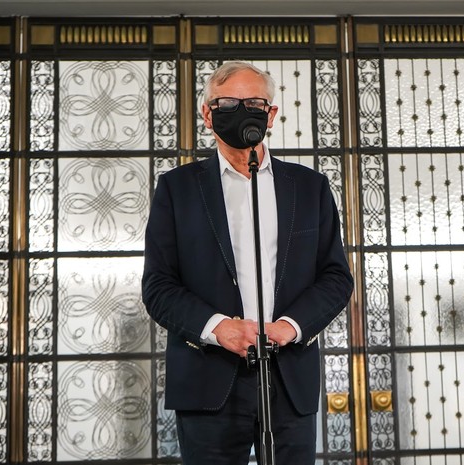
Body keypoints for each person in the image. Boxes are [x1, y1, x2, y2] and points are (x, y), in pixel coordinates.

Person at [141, 61, 354, 465]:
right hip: (207, 377)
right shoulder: (177, 189)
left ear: (270, 114)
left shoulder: (310, 187)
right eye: (227, 104)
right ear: (208, 114)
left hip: (289, 378)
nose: (241, 112)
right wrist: (218, 328)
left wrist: (289, 327)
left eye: (254, 103)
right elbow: (159, 287)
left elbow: (335, 277)